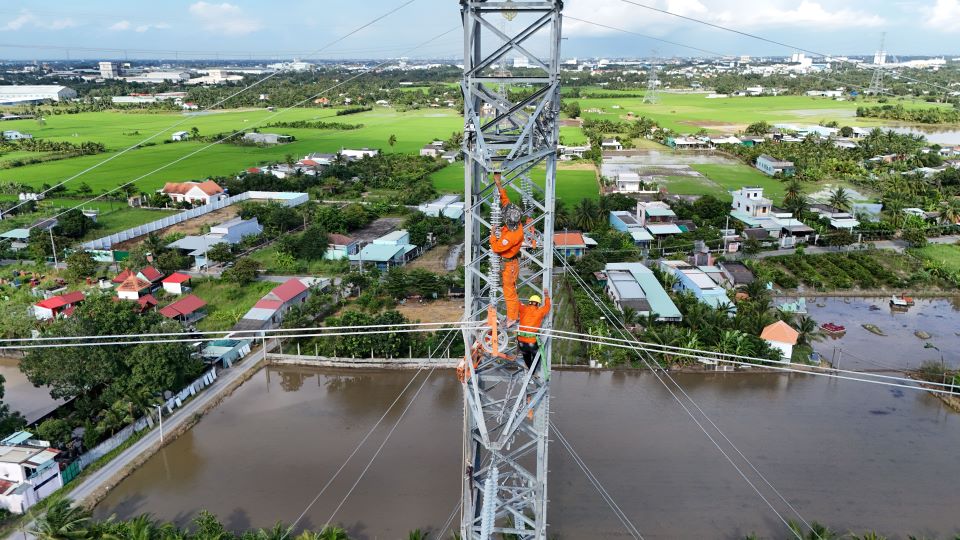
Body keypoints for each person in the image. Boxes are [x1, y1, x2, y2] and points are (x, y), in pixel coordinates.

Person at [489, 172, 525, 325]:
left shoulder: (512, 236)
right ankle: (514, 313)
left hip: (509, 265)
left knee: (509, 293)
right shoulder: (516, 220)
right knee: (511, 291)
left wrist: (492, 235)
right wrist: (498, 183)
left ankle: (512, 317)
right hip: (510, 263)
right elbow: (506, 202)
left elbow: (497, 247)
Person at [517, 291, 550, 370]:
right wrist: (546, 296)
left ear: (529, 302)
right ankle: (532, 371)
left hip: (521, 340)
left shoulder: (523, 308)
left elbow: (516, 301)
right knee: (537, 356)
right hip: (531, 341)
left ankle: (530, 369)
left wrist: (515, 291)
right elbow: (547, 306)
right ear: (538, 304)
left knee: (526, 354)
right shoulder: (540, 311)